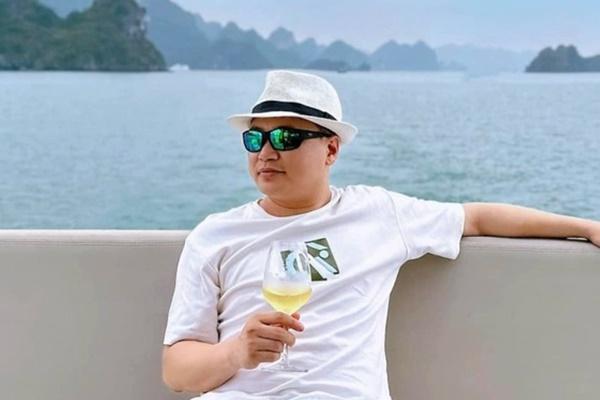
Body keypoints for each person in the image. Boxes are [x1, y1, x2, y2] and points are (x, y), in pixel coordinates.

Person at [161, 70, 600, 399]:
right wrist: (237, 351)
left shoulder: (377, 214)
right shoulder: (215, 235)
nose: (267, 152)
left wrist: (586, 227)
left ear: (331, 148)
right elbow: (176, 372)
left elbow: (478, 219)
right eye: (255, 140)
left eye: (286, 137)